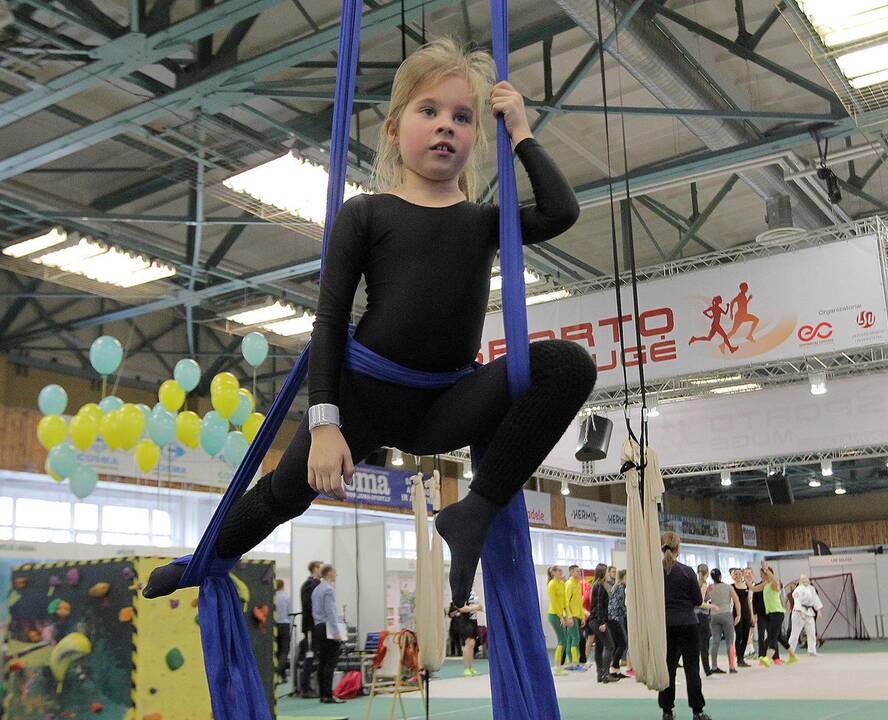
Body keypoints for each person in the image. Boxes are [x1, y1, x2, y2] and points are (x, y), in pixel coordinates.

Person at [143, 39, 593, 617]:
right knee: (284, 493)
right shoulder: (367, 214)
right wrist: (324, 421)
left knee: (568, 364)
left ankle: (476, 509)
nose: (445, 127)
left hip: (442, 405)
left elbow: (561, 212)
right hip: (363, 397)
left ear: (477, 138)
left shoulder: (486, 222)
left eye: (462, 118)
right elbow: (328, 323)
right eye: (428, 111)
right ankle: (203, 561)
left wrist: (522, 131)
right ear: (392, 128)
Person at [658, 532, 711, 720]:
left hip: (666, 624)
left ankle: (667, 711)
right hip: (688, 624)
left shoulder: (655, 573)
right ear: (678, 549)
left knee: (668, 669)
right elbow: (698, 600)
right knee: (692, 669)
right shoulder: (687, 571)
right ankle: (697, 711)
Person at [310, 564, 345, 704]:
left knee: (322, 662)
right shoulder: (329, 589)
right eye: (335, 573)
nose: (336, 575)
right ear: (329, 573)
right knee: (330, 663)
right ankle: (328, 695)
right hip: (328, 628)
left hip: (318, 627)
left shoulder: (316, 589)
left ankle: (323, 695)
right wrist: (336, 631)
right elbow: (330, 611)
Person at [587, 564, 619, 684]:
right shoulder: (600, 586)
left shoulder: (596, 585)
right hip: (598, 620)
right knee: (610, 645)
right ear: (602, 573)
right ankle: (605, 674)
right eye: (606, 571)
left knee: (600, 646)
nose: (608, 574)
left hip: (594, 620)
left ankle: (600, 674)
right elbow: (599, 606)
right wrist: (602, 622)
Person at [705, 569, 741, 674]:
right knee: (730, 641)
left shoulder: (710, 587)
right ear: (720, 576)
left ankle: (714, 666)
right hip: (726, 614)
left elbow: (706, 598)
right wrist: (738, 614)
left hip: (714, 615)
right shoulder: (728, 587)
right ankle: (731, 666)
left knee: (715, 641)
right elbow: (736, 600)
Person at [299, 561, 323, 697]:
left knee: (315, 655)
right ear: (315, 569)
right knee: (310, 655)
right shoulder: (309, 584)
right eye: (320, 567)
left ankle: (312, 687)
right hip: (310, 626)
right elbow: (308, 604)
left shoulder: (318, 584)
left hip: (317, 626)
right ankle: (305, 688)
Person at [787, 574, 823, 660]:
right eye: (803, 579)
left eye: (806, 579)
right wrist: (801, 612)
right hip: (799, 613)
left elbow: (815, 599)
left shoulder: (812, 589)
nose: (805, 580)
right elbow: (797, 601)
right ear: (800, 581)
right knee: (795, 633)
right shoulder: (797, 590)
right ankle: (791, 652)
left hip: (809, 612)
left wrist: (818, 611)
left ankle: (812, 650)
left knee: (811, 632)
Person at [756, 566, 786, 667]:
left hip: (776, 613)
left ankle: (771, 658)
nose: (761, 576)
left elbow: (775, 582)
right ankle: (766, 658)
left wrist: (766, 569)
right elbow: (754, 590)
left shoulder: (775, 583)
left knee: (773, 637)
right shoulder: (763, 584)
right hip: (766, 614)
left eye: (763, 574)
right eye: (760, 574)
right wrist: (748, 580)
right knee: (772, 637)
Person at [450, 589, 483, 677]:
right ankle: (466, 668)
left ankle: (470, 667)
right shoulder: (462, 592)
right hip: (465, 621)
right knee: (468, 644)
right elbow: (461, 608)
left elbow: (477, 605)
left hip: (473, 621)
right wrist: (475, 608)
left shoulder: (473, 592)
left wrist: (480, 609)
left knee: (472, 644)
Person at [546, 566, 571, 676]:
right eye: (559, 571)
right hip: (554, 614)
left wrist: (566, 615)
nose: (561, 572)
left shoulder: (561, 584)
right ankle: (557, 666)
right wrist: (560, 616)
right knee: (562, 640)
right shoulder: (551, 584)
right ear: (553, 573)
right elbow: (554, 602)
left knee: (563, 640)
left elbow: (565, 601)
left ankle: (559, 666)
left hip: (562, 614)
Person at [565, 565, 587, 670]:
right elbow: (566, 602)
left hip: (577, 616)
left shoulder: (577, 584)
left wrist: (582, 616)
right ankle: (574, 662)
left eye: (579, 571)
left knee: (570, 639)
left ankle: (570, 663)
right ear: (571, 572)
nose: (579, 573)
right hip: (571, 616)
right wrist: (568, 617)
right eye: (577, 571)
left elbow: (579, 603)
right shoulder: (569, 584)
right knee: (576, 639)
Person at [608, 569, 628, 677]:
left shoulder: (617, 586)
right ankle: (614, 667)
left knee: (618, 644)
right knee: (622, 644)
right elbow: (617, 604)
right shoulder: (620, 587)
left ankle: (616, 669)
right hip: (615, 618)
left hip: (613, 617)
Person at [695, 563, 714, 676]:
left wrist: (708, 592)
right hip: (702, 616)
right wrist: (713, 607)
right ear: (707, 573)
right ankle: (707, 670)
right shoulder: (703, 584)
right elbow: (700, 602)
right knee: (704, 645)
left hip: (695, 616)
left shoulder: (696, 583)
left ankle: (698, 670)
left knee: (697, 645)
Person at [731, 568, 752, 668]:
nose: (738, 576)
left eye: (740, 574)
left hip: (746, 613)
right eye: (736, 574)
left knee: (745, 636)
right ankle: (738, 659)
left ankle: (742, 658)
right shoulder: (732, 587)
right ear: (733, 576)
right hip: (736, 614)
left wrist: (751, 615)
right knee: (738, 636)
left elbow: (749, 602)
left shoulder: (747, 586)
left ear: (742, 575)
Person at [275, 579, 292, 684]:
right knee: (284, 651)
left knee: (276, 651)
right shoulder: (286, 597)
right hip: (284, 624)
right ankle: (278, 672)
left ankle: (283, 675)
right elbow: (289, 612)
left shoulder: (272, 596)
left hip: (274, 625)